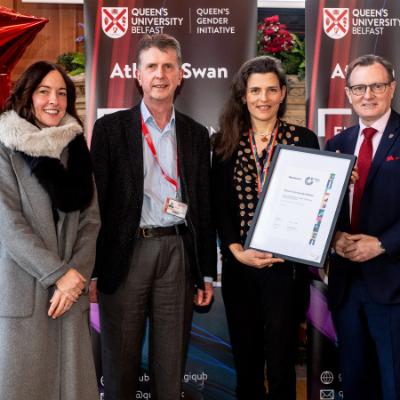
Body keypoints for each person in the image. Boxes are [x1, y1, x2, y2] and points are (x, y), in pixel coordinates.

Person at [90, 34, 217, 400]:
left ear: (180, 75)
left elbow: (203, 206)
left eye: (167, 66)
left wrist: (206, 272)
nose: (159, 74)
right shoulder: (110, 130)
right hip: (125, 254)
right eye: (151, 67)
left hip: (177, 254)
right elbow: (96, 205)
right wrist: (93, 270)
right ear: (138, 75)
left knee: (170, 366)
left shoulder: (196, 134)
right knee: (120, 366)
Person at [211, 55, 319, 400]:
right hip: (240, 267)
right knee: (247, 363)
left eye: (272, 89)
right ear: (243, 96)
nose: (264, 98)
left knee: (283, 363)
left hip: (286, 270)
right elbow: (219, 205)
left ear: (283, 93)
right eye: (255, 90)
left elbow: (315, 202)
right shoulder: (225, 142)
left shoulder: (303, 139)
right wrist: (236, 250)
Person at [0, 61, 100, 400]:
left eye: (61, 93)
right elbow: (9, 224)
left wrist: (75, 277)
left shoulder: (76, 148)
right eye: (44, 91)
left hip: (69, 296)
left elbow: (91, 221)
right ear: (27, 95)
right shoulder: (5, 146)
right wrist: (58, 274)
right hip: (24, 292)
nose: (53, 101)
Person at [326, 54, 400, 400]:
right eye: (359, 88)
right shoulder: (337, 145)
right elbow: (325, 208)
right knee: (355, 384)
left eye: (376, 86)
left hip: (393, 284)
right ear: (348, 93)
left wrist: (382, 243)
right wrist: (334, 237)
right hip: (346, 287)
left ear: (392, 88)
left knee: (394, 385)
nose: (367, 95)